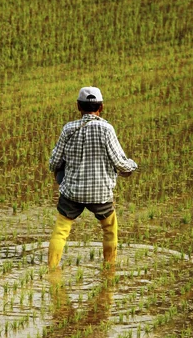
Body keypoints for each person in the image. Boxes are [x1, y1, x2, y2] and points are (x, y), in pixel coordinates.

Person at [47, 86, 138, 269]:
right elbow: (120, 162)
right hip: (100, 193)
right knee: (110, 229)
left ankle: (52, 269)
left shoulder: (68, 129)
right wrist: (132, 166)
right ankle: (109, 268)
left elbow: (54, 162)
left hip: (72, 192)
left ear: (78, 107)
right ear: (101, 107)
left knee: (61, 231)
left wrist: (60, 173)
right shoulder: (106, 129)